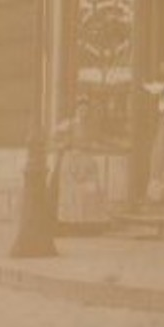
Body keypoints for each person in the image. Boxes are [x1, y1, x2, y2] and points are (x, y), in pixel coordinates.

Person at [51, 95, 109, 235]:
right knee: (72, 194)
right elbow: (54, 134)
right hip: (71, 160)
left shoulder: (88, 126)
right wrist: (64, 144)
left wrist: (96, 146)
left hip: (86, 159)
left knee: (90, 190)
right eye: (81, 109)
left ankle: (87, 223)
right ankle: (71, 224)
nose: (83, 112)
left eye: (85, 110)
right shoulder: (69, 124)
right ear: (76, 109)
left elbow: (93, 141)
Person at [141, 64, 164, 204]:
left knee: (161, 155)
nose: (163, 70)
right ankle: (156, 194)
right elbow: (153, 88)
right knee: (158, 155)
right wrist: (143, 83)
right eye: (162, 68)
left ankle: (158, 195)